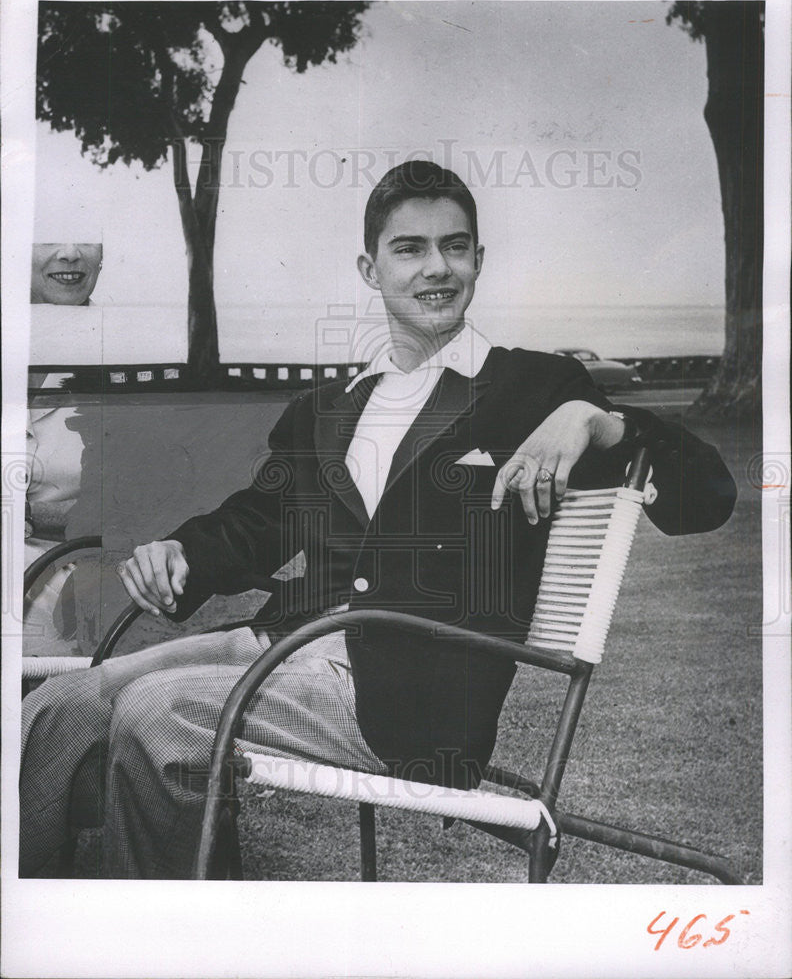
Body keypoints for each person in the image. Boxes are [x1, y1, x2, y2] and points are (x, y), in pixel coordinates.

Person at [19, 161, 736, 879]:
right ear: (370, 268)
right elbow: (260, 521)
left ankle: (181, 939)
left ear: (478, 260)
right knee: (59, 707)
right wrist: (183, 553)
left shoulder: (536, 388)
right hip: (283, 641)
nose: (437, 268)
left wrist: (598, 420)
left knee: (158, 712)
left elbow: (705, 496)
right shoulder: (333, 406)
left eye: (455, 247)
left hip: (406, 696)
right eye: (410, 248)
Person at [25, 239, 104, 656]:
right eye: (51, 236)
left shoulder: (131, 350)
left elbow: (162, 502)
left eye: (86, 237)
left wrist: (33, 515)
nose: (71, 254)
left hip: (79, 570)